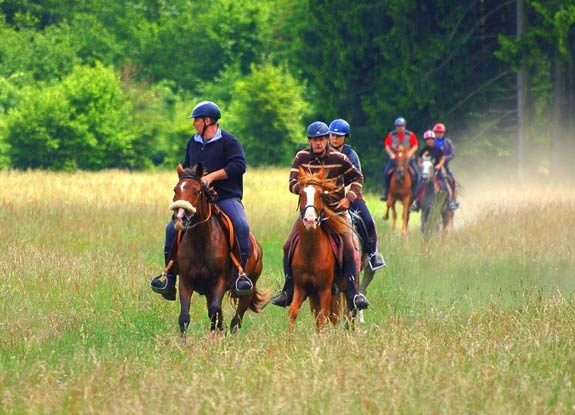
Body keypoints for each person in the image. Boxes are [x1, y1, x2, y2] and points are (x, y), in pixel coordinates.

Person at [150, 100, 254, 300]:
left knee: (241, 225)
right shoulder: (193, 142)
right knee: (171, 228)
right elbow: (188, 169)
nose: (194, 124)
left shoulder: (229, 142)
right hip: (197, 200)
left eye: (196, 120)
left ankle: (241, 275)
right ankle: (169, 277)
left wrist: (212, 176)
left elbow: (239, 166)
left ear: (208, 121)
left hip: (225, 197)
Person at [271, 121, 369, 311]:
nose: (318, 143)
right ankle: (288, 289)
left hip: (336, 211)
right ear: (309, 141)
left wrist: (348, 199)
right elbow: (292, 183)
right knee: (287, 245)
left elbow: (357, 179)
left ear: (327, 140)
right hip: (309, 211)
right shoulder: (301, 157)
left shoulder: (339, 158)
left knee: (349, 247)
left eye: (322, 139)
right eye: (314, 139)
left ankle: (353, 293)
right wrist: (307, 188)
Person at [327, 118, 386, 271]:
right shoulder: (323, 153)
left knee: (367, 221)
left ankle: (373, 254)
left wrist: (347, 197)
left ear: (345, 137)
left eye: (338, 136)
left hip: (350, 197)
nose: (334, 138)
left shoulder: (351, 155)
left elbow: (357, 180)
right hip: (327, 197)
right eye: (332, 135)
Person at [409, 130, 457, 211]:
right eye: (427, 140)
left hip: (436, 172)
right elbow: (419, 159)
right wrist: (421, 165)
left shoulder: (438, 150)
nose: (429, 141)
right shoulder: (424, 150)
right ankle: (416, 202)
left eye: (431, 139)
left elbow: (442, 159)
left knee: (444, 185)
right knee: (419, 185)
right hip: (426, 173)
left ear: (433, 139)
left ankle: (449, 202)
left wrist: (439, 165)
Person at [380, 117, 419, 202]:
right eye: (398, 126)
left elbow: (415, 145)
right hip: (395, 160)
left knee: (416, 174)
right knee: (386, 172)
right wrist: (391, 154)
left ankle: (415, 195)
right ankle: (386, 192)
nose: (400, 128)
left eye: (402, 126)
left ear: (404, 126)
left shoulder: (410, 135)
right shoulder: (391, 135)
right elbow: (387, 145)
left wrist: (410, 153)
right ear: (395, 127)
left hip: (408, 160)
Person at [433, 122, 459, 208]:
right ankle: (417, 200)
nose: (438, 134)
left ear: (443, 133)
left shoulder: (448, 142)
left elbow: (452, 154)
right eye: (437, 132)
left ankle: (453, 201)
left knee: (453, 182)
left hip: (445, 167)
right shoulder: (431, 142)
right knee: (421, 179)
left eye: (440, 132)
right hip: (433, 166)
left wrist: (445, 158)